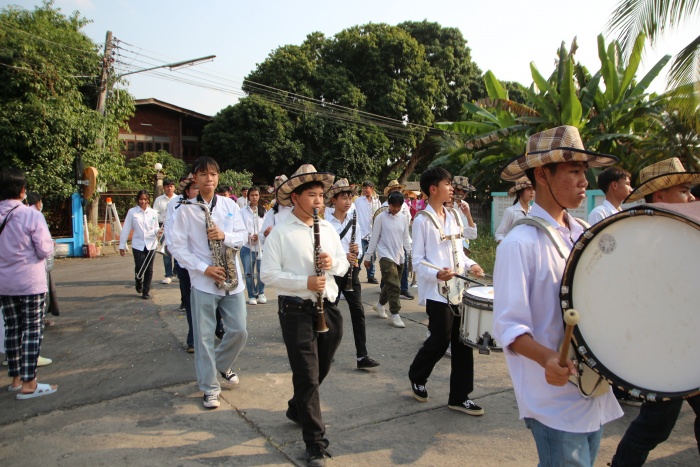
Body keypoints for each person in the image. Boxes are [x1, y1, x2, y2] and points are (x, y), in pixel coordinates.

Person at [493, 125, 623, 466]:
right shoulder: (518, 244)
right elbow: (509, 328)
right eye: (574, 171)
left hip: (590, 386)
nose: (584, 181)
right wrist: (548, 358)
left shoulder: (583, 233)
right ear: (542, 175)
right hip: (553, 397)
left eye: (584, 171)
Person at [610, 157, 700, 466]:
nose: (691, 197)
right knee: (654, 426)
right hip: (665, 353)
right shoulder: (644, 237)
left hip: (688, 346)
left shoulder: (681, 233)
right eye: (684, 191)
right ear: (660, 196)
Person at [260, 164, 348, 467]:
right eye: (312, 195)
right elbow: (267, 274)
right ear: (295, 198)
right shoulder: (280, 232)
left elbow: (343, 265)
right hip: (296, 310)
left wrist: (332, 262)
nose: (318, 201)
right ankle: (315, 443)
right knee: (307, 375)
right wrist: (304, 282)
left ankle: (297, 407)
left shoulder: (328, 229)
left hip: (329, 306)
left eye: (321, 195)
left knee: (320, 368)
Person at [170, 157, 249, 410]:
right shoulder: (185, 210)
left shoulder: (229, 205)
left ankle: (221, 365)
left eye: (213, 174)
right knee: (204, 338)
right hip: (204, 281)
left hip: (231, 278)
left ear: (218, 177)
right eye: (203, 174)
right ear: (195, 178)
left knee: (239, 331)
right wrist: (204, 269)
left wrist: (225, 236)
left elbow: (243, 236)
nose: (209, 179)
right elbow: (177, 247)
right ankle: (209, 387)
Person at [408, 167, 485, 415]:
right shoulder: (422, 221)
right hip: (437, 292)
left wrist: (472, 265)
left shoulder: (453, 216)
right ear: (433, 189)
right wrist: (436, 274)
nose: (452, 188)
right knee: (440, 340)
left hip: (459, 289)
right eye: (447, 184)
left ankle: (460, 396)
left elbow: (459, 252)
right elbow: (417, 261)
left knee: (463, 342)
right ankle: (417, 375)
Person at [0, 168, 57, 399]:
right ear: (23, 190)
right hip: (29, 282)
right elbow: (44, 249)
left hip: (5, 283)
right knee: (32, 331)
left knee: (12, 330)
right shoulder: (31, 215)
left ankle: (15, 380)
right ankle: (29, 383)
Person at [325, 179, 380, 370]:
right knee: (329, 313)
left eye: (350, 197)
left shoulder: (354, 219)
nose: (348, 201)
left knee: (358, 313)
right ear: (334, 200)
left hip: (351, 272)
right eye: (343, 197)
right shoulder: (326, 223)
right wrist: (342, 256)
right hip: (333, 274)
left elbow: (359, 246)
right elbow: (324, 250)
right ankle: (326, 351)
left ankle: (362, 356)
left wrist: (357, 253)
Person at [365, 191, 412, 328]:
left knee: (390, 284)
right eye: (393, 205)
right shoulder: (381, 218)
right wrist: (368, 256)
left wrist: (410, 254)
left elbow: (405, 237)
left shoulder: (403, 218)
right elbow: (374, 238)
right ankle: (395, 314)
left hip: (399, 255)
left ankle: (380, 305)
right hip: (385, 255)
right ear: (389, 204)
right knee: (394, 285)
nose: (396, 209)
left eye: (398, 206)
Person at [165, 175, 198, 353]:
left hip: (206, 264)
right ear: (187, 190)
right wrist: (178, 254)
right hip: (185, 264)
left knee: (213, 299)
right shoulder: (176, 207)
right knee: (190, 300)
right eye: (195, 187)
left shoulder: (210, 206)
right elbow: (170, 231)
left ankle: (218, 327)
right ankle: (193, 338)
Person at [119, 190, 160, 300]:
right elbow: (126, 228)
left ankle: (146, 291)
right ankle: (138, 280)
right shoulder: (132, 212)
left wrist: (158, 231)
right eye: (141, 199)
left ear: (148, 200)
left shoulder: (153, 212)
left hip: (151, 243)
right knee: (140, 266)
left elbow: (156, 227)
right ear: (138, 200)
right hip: (138, 244)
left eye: (145, 199)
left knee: (149, 268)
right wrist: (122, 245)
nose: (143, 201)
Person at [382, 180, 414, 300]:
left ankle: (403, 289)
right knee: (388, 268)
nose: (397, 191)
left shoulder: (403, 204)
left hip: (402, 240)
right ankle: (385, 289)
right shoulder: (384, 206)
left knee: (403, 266)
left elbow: (408, 217)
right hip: (388, 242)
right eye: (394, 189)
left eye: (398, 189)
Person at [240, 186, 267, 305]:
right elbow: (240, 227)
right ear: (248, 196)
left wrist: (259, 236)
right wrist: (248, 237)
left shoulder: (264, 211)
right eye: (252, 195)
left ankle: (261, 293)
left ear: (259, 196)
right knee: (248, 272)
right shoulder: (242, 211)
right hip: (247, 247)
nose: (254, 197)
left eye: (256, 195)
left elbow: (266, 227)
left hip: (261, 247)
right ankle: (251, 295)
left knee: (262, 271)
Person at [354, 181, 381, 284]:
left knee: (372, 256)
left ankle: (371, 276)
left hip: (372, 232)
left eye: (367, 188)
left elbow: (379, 214)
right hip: (361, 232)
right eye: (364, 188)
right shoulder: (358, 201)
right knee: (359, 255)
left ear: (372, 188)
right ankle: (355, 273)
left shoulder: (377, 201)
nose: (365, 190)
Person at [494, 177, 535, 243]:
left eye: (533, 189)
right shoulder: (511, 212)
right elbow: (499, 234)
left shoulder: (534, 211)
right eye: (528, 189)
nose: (532, 192)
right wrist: (506, 245)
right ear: (520, 192)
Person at [153, 178, 177, 284]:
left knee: (178, 251)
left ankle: (177, 272)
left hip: (177, 228)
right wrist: (163, 219)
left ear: (174, 187)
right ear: (164, 188)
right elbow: (155, 213)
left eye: (171, 186)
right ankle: (168, 275)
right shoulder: (159, 200)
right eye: (167, 186)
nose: (169, 188)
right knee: (166, 252)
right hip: (163, 227)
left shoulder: (178, 199)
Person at [451, 176, 478, 254]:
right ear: (455, 189)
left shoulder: (465, 205)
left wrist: (468, 215)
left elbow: (473, 234)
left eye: (466, 191)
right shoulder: (446, 206)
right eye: (464, 191)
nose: (465, 194)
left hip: (463, 246)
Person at [261, 175, 292, 241]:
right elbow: (262, 236)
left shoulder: (298, 209)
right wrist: (265, 235)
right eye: (277, 194)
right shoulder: (272, 213)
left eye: (282, 193)